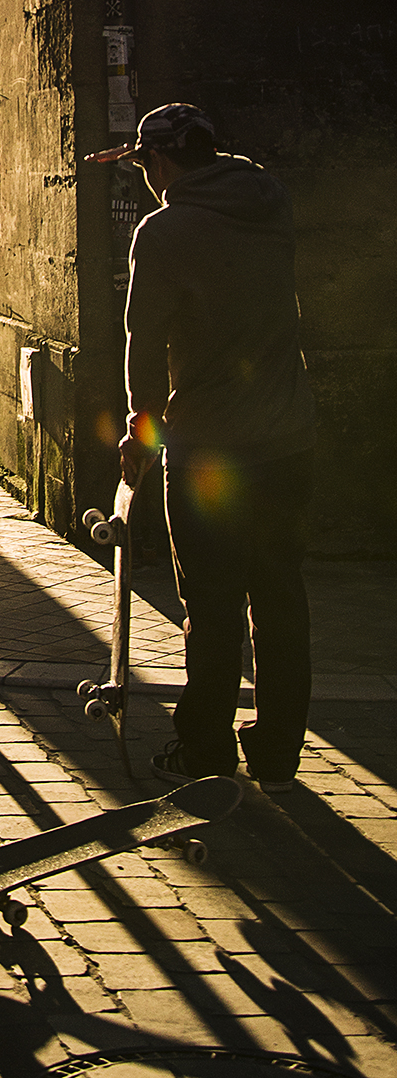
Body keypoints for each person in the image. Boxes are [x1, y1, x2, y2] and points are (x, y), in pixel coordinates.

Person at [91, 102, 317, 793]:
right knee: (280, 597)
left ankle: (206, 751)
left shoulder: (163, 231)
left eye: (145, 166)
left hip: (208, 452)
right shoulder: (268, 200)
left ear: (158, 162)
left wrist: (139, 427)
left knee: (212, 608)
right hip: (286, 443)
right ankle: (277, 752)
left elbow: (142, 339)